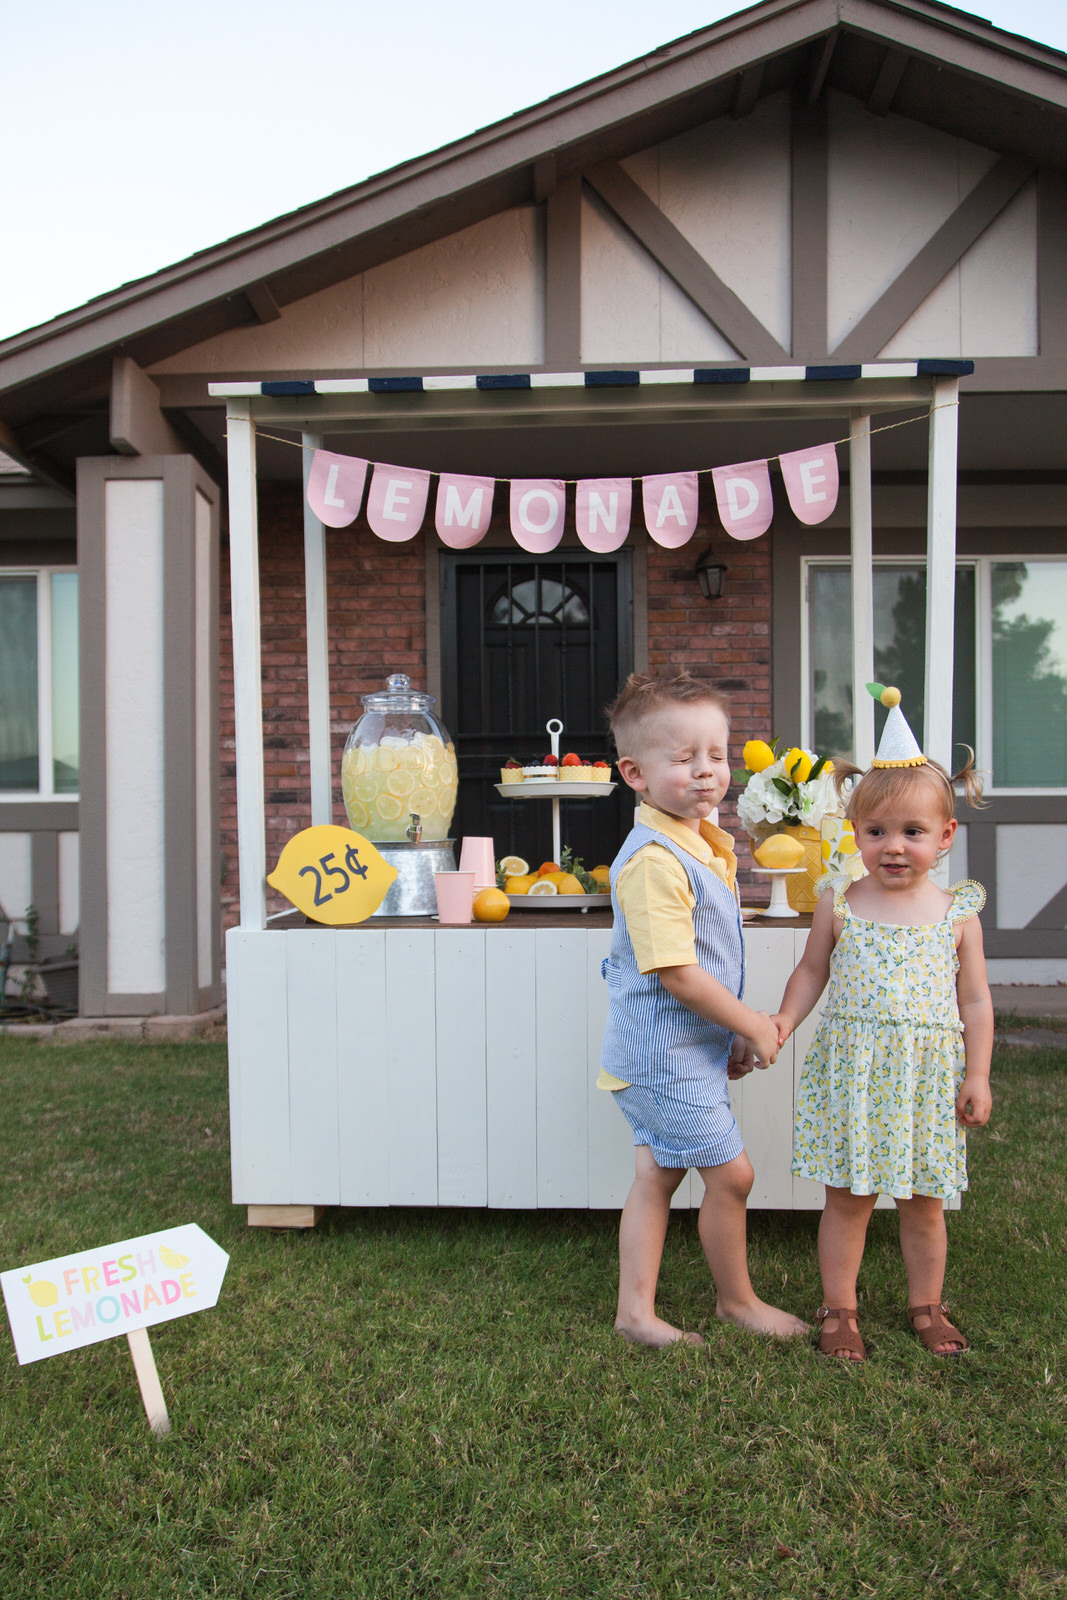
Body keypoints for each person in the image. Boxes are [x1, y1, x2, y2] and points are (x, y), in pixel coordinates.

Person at [773, 687, 994, 1361]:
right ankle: (839, 1308)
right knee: (847, 1197)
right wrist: (783, 1019)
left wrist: (978, 1074)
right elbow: (811, 971)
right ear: (854, 832)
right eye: (875, 833)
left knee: (925, 1201)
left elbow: (976, 1000)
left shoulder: (956, 913)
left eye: (911, 833)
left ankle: (926, 1303)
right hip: (855, 1072)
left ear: (944, 836)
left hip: (927, 1077)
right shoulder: (838, 904)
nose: (892, 848)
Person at [599, 669, 809, 1348]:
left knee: (656, 1173)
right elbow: (678, 974)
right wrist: (750, 1023)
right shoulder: (655, 860)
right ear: (634, 772)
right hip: (661, 1058)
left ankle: (635, 1313)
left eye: (716, 755)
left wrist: (730, 1036)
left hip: (676, 1050)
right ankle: (736, 1302)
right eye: (682, 758)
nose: (705, 772)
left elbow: (711, 960)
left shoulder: (702, 841)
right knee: (732, 1174)